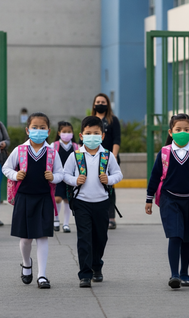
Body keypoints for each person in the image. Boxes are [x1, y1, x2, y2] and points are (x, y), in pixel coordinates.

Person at [145, 113, 189, 289]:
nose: (182, 132)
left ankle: (184, 273)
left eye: (186, 129)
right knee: (175, 235)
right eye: (178, 129)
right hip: (170, 199)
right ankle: (174, 275)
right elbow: (154, 177)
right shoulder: (164, 153)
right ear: (170, 132)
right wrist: (149, 199)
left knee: (187, 238)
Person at [2, 112, 64, 289]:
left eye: (42, 128)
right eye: (34, 127)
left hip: (44, 197)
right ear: (27, 130)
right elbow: (6, 168)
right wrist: (15, 174)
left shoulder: (52, 152)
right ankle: (26, 264)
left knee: (42, 237)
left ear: (49, 131)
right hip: (24, 197)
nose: (38, 130)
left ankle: (42, 275)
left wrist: (53, 177)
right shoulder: (19, 150)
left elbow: (61, 174)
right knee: (25, 239)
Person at [64, 116, 123, 287]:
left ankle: (97, 265)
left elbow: (118, 174)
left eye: (96, 133)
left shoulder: (107, 155)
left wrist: (109, 179)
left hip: (102, 202)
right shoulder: (75, 155)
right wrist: (75, 180)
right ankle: (85, 274)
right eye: (88, 133)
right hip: (81, 202)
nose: (92, 136)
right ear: (81, 136)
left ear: (102, 136)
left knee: (100, 237)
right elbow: (65, 174)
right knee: (84, 238)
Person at [91, 93, 121, 229]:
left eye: (103, 102)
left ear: (107, 104)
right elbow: (81, 141)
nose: (100, 104)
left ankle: (111, 217)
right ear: (94, 104)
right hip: (91, 158)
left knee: (109, 187)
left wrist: (113, 156)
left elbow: (116, 139)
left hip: (108, 158)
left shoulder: (113, 120)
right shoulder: (90, 121)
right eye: (98, 101)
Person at [52, 121, 78, 233]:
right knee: (57, 198)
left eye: (69, 132)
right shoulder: (54, 146)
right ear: (59, 133)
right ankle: (56, 220)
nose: (67, 134)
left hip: (70, 177)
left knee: (68, 200)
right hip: (58, 176)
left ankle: (66, 224)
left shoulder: (76, 147)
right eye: (64, 132)